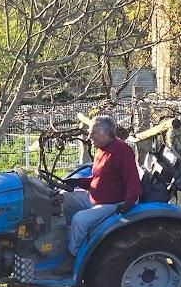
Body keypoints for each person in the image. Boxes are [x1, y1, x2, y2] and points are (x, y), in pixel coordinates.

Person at [54, 115, 142, 274]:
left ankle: (72, 257)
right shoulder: (102, 150)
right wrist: (79, 183)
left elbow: (132, 178)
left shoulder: (121, 150)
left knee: (80, 220)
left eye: (93, 133)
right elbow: (99, 179)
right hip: (93, 198)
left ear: (105, 133)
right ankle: (66, 238)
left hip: (112, 204)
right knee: (62, 199)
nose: (89, 137)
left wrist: (129, 201)